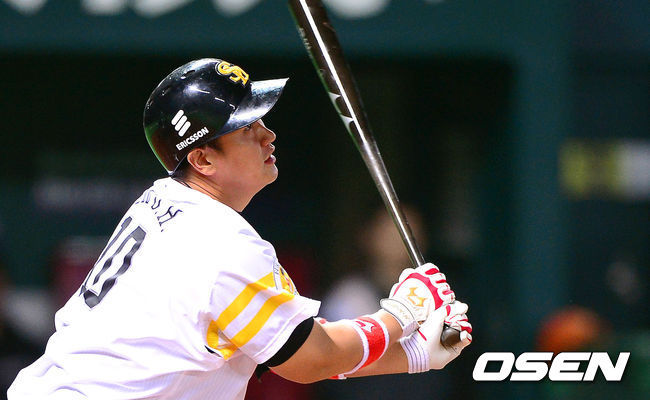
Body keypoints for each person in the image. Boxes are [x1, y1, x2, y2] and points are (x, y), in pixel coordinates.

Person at [8, 58, 472, 399]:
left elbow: (285, 347)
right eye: (247, 128)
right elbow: (312, 359)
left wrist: (414, 355)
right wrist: (403, 312)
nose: (268, 134)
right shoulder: (219, 244)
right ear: (203, 159)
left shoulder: (166, 202)